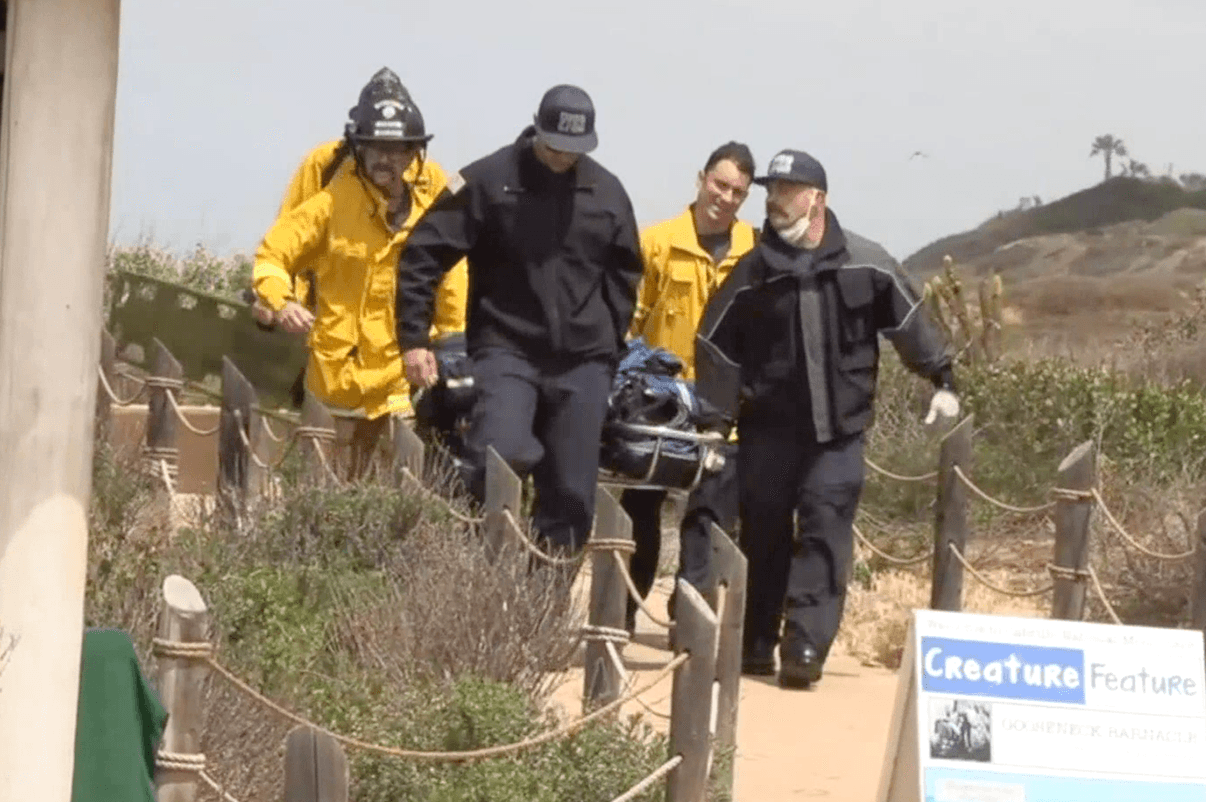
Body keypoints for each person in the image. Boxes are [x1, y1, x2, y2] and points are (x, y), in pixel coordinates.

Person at [696, 149, 960, 689]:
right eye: (771, 191)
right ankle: (755, 644)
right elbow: (714, 343)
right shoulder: (753, 272)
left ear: (817, 199)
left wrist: (943, 380)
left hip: (839, 435)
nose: (773, 200)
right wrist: (715, 425)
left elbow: (911, 323)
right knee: (764, 537)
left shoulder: (867, 261)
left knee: (824, 531)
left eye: (786, 190)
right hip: (768, 432)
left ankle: (805, 649)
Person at [396, 83, 644, 557]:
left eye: (575, 150)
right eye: (555, 146)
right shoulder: (489, 180)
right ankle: (474, 573)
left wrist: (608, 345)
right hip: (506, 348)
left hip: (584, 361)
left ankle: (541, 613)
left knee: (572, 492)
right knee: (501, 455)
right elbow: (423, 254)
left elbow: (626, 273)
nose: (563, 157)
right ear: (537, 129)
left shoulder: (608, 192)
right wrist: (414, 338)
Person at [252, 73, 469, 479]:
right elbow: (273, 253)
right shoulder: (332, 202)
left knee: (393, 490)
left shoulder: (431, 208)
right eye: (376, 149)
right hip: (334, 378)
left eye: (397, 149)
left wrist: (448, 345)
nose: (386, 159)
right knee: (320, 491)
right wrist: (281, 302)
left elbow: (451, 281)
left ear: (412, 155)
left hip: (399, 379)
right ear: (359, 148)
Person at [619, 141, 758, 633]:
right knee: (640, 515)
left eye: (738, 192)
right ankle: (623, 616)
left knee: (709, 520)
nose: (726, 197)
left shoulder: (756, 253)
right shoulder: (655, 242)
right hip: (658, 408)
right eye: (720, 184)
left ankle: (689, 626)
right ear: (701, 178)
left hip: (724, 411)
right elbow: (628, 322)